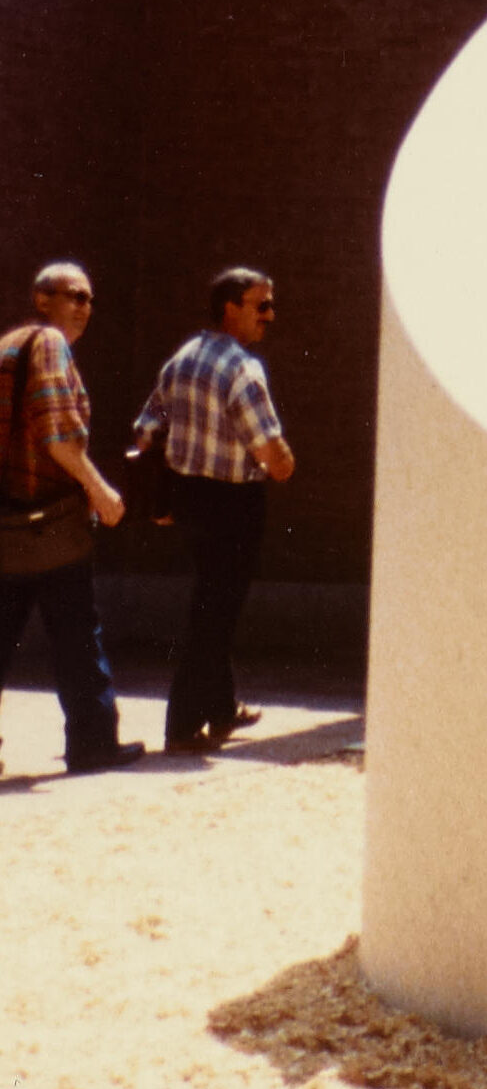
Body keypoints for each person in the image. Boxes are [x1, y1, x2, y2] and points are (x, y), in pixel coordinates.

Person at [132, 267, 294, 756]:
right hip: (233, 504)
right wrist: (286, 463)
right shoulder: (242, 369)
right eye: (260, 305)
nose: (270, 315)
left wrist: (166, 490)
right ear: (230, 309)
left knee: (212, 598)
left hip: (191, 500)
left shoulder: (181, 361)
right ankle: (182, 726)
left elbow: (146, 428)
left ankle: (221, 710)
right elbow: (271, 452)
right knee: (214, 613)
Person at [0, 263, 144, 775]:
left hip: (8, 524)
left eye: (89, 299)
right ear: (43, 300)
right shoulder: (50, 345)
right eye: (74, 296)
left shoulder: (8, 346)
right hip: (54, 525)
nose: (85, 307)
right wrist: (100, 490)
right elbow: (58, 433)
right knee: (79, 638)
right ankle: (93, 744)